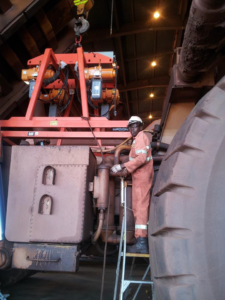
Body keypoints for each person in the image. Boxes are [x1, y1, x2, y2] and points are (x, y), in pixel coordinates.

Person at [111, 116, 154, 253]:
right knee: (137, 208)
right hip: (138, 177)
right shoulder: (136, 140)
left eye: (135, 126)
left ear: (140, 127)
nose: (132, 129)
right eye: (130, 127)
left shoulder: (141, 137)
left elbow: (141, 159)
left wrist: (122, 166)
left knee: (140, 208)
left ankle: (142, 242)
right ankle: (139, 240)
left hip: (142, 177)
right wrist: (125, 170)